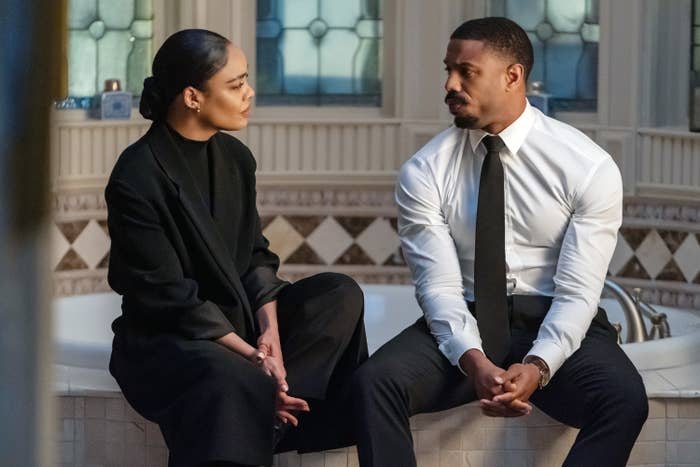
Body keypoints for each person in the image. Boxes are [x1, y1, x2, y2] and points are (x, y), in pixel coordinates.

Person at [352, 17, 648, 467]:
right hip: (465, 321)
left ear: (513, 76)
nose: (450, 84)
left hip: (552, 317)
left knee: (624, 398)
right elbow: (439, 289)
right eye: (447, 69)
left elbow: (578, 292)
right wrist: (473, 361)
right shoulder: (425, 170)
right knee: (375, 383)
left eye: (466, 71)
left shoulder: (586, 166)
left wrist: (538, 365)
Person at [106, 29, 368, 467]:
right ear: (192, 96)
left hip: (239, 323)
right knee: (228, 374)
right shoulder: (137, 176)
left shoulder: (235, 158)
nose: (249, 94)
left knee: (339, 294)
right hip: (171, 337)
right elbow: (168, 297)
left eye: (246, 81)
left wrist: (271, 339)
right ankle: (263, 411)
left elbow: (254, 258)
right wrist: (252, 358)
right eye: (236, 84)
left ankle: (268, 418)